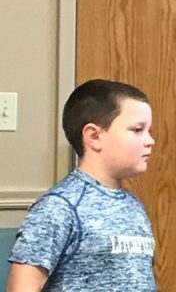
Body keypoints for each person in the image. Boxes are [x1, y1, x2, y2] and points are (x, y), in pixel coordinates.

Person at [7, 79, 157, 291]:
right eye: (137, 130)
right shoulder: (59, 207)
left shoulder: (134, 206)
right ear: (94, 136)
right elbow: (23, 286)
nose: (150, 140)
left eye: (149, 130)